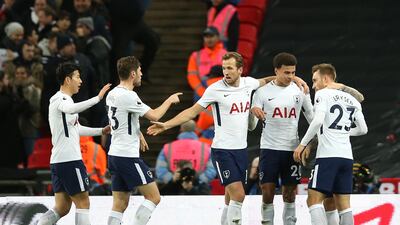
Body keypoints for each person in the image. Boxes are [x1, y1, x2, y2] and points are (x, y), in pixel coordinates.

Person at [148, 52, 308, 225]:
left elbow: (270, 79)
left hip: (241, 150)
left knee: (229, 198)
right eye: (224, 68)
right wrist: (166, 125)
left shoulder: (248, 83)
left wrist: (296, 79)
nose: (226, 72)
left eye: (230, 68)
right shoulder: (215, 89)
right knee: (239, 195)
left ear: (240, 70)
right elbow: (192, 111)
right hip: (222, 150)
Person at [105, 56, 182, 225]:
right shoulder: (129, 96)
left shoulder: (112, 94)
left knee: (119, 204)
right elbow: (154, 115)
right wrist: (169, 100)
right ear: (132, 73)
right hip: (127, 157)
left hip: (114, 155)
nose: (142, 73)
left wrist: (138, 133)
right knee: (154, 196)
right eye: (140, 70)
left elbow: (121, 119)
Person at [293, 63, 368, 225]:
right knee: (343, 205)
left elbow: (318, 121)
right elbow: (363, 129)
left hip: (328, 157)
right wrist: (343, 132)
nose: (313, 86)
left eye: (315, 80)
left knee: (313, 200)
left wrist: (302, 144)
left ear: (326, 79)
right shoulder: (353, 99)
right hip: (347, 158)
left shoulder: (323, 94)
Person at [37, 62, 111, 225]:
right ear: (67, 79)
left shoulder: (64, 100)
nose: (81, 81)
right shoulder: (60, 99)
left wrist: (101, 131)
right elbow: (70, 109)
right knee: (83, 203)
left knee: (62, 207)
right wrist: (97, 98)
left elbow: (76, 128)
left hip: (60, 161)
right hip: (69, 160)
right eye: (77, 77)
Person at [250, 53, 314, 225]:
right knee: (267, 190)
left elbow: (313, 118)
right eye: (286, 72)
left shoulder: (301, 90)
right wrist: (253, 111)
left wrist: (308, 143)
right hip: (269, 148)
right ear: (276, 71)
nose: (290, 77)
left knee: (289, 193)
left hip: (292, 149)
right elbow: (252, 122)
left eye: (293, 73)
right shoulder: (262, 92)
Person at [155, 120, 216, 185]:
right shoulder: (206, 148)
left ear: (181, 129)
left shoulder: (168, 148)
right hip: (198, 189)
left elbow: (160, 169)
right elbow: (212, 170)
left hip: (174, 190)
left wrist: (172, 180)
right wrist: (198, 182)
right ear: (195, 129)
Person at [187, 26, 227, 101]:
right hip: (202, 92)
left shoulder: (226, 55)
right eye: (206, 36)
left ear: (218, 37)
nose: (209, 39)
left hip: (221, 92)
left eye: (211, 36)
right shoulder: (195, 56)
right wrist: (201, 91)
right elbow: (192, 76)